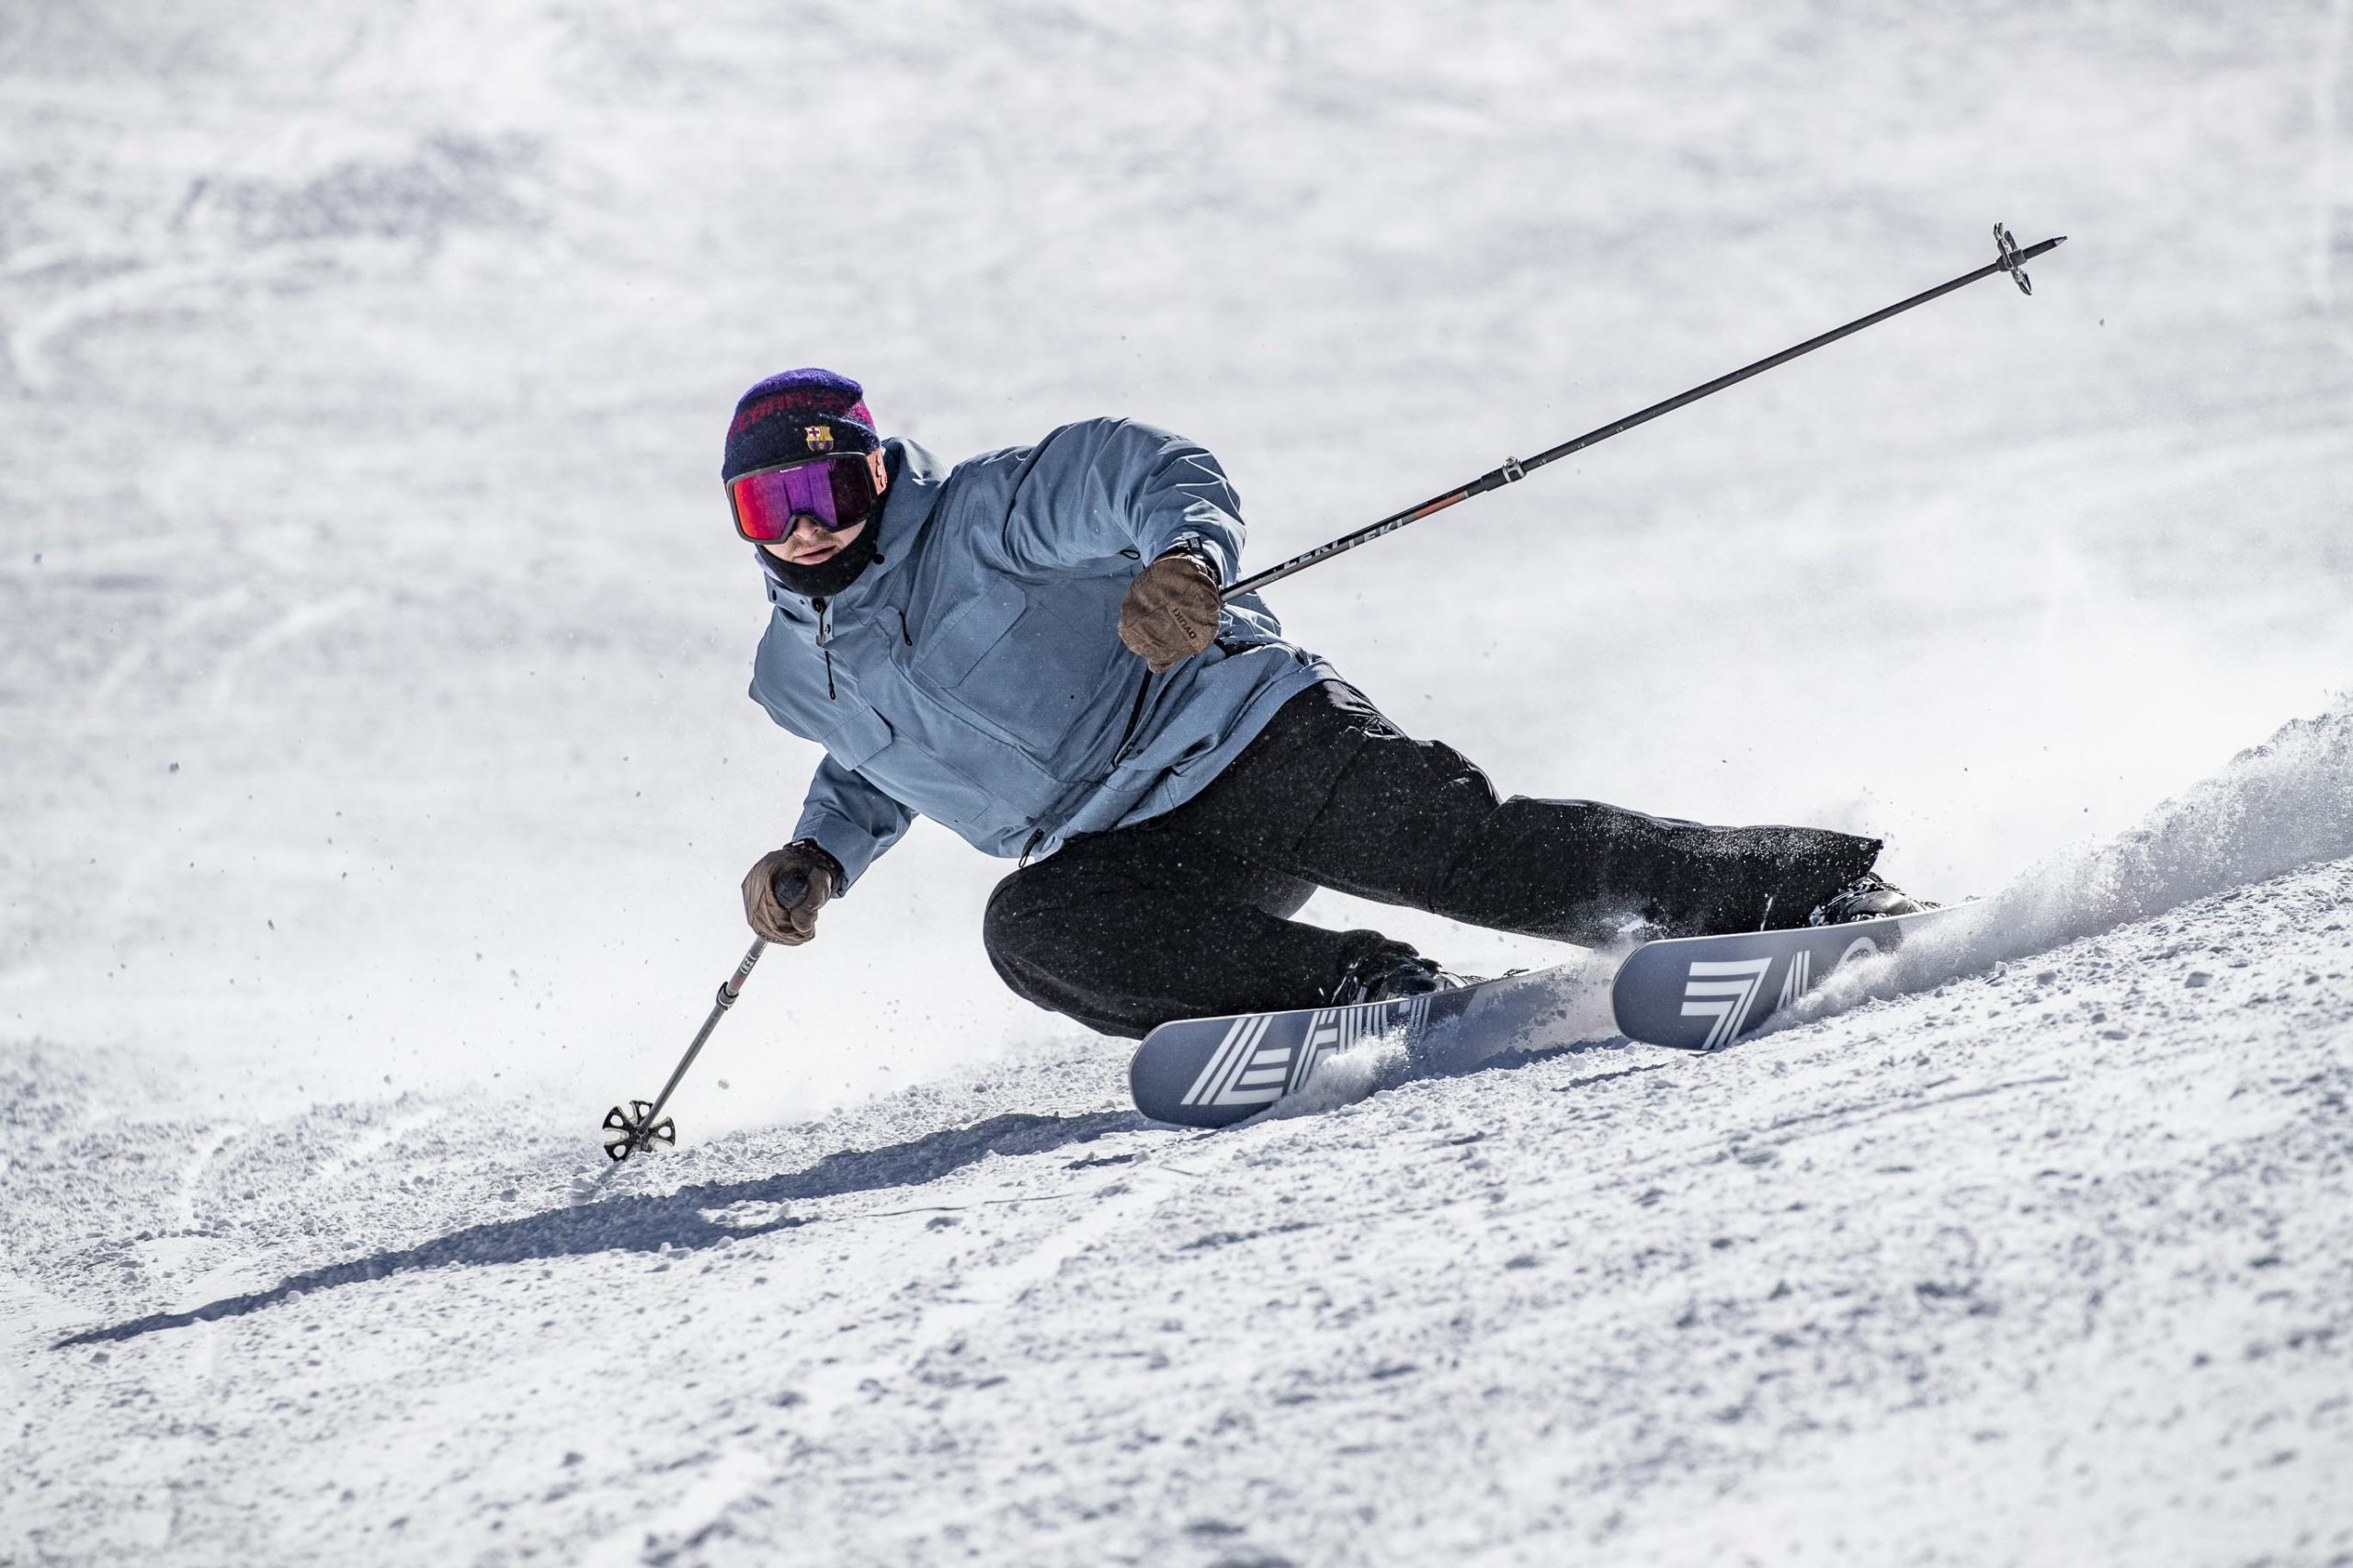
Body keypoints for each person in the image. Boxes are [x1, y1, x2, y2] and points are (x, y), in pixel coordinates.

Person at [726, 369, 1917, 1039]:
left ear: (878, 470)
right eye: (770, 508)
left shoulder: (985, 516)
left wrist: (1186, 562)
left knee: (1466, 852)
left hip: (1240, 735)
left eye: (829, 485)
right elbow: (873, 759)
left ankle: (1795, 889)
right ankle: (1361, 994)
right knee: (1030, 932)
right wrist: (819, 857)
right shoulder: (794, 673)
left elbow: (1152, 471)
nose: (810, 524)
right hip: (1122, 853)